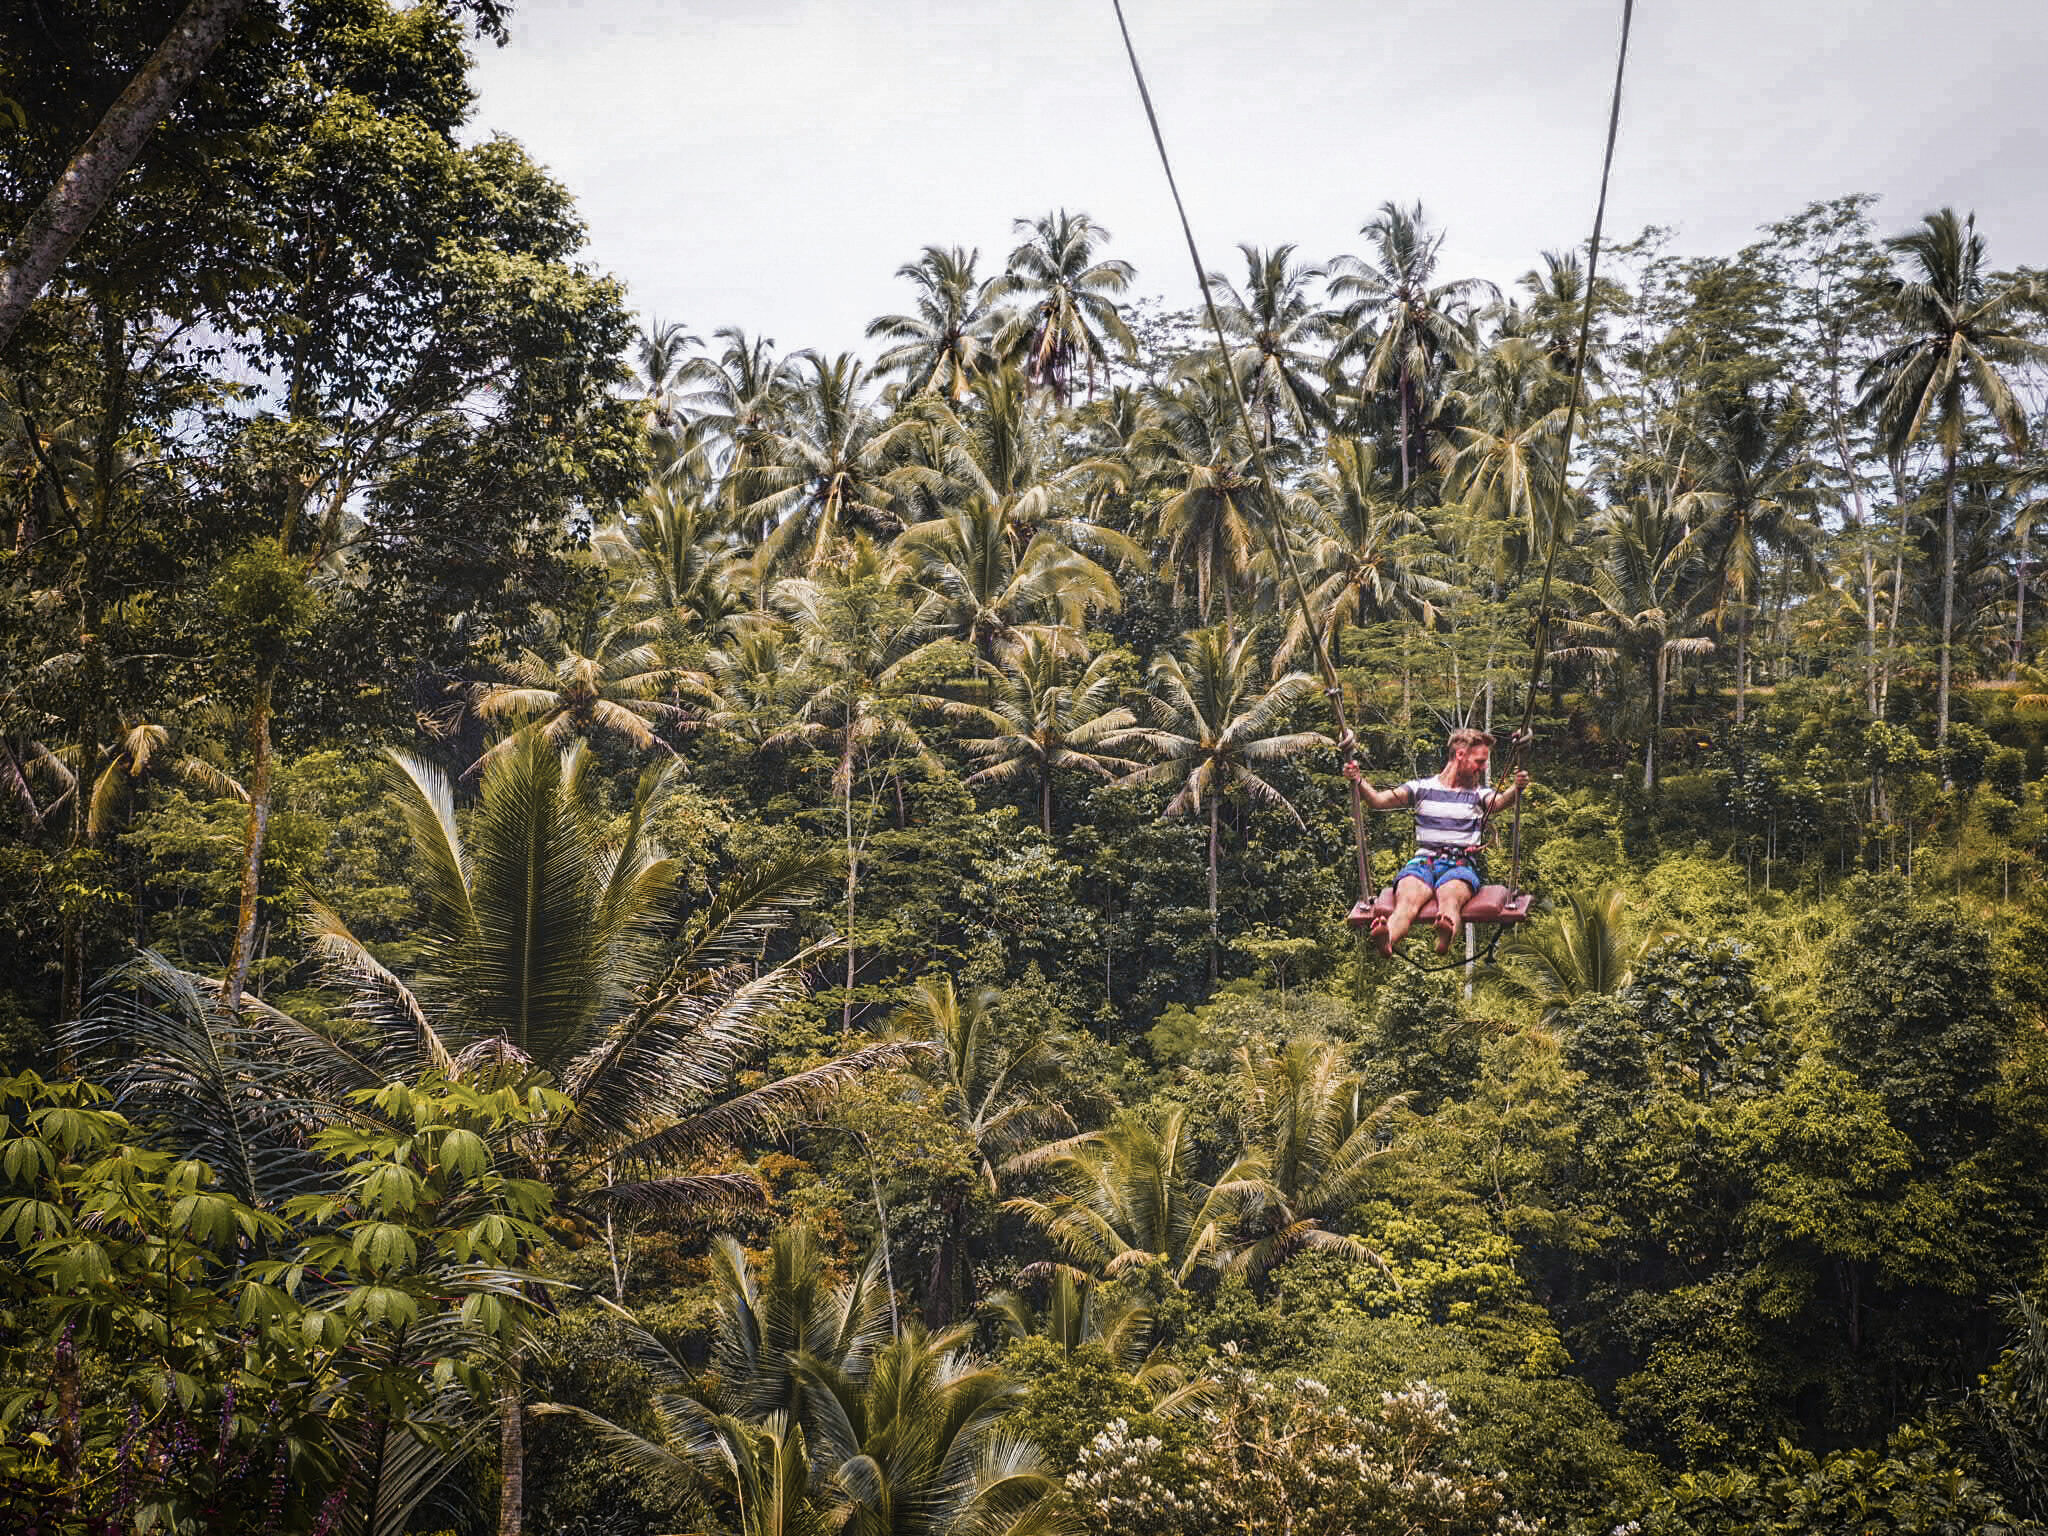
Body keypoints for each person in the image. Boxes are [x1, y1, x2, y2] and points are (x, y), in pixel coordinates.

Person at [1343, 727, 1529, 956]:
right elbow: (1377, 801)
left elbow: (1499, 803)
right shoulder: (1421, 788)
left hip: (1460, 863)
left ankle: (1445, 934)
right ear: (1460, 755)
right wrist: (1358, 780)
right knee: (1407, 900)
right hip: (1423, 861)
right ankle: (1387, 939)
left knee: (1450, 897)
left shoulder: (1479, 794)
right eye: (1479, 762)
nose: (1482, 768)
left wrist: (1516, 787)